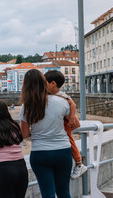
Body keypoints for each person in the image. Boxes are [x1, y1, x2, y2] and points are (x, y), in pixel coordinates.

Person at [19, 69, 72, 198]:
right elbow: (73, 122)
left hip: (40, 152)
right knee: (64, 192)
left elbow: (24, 134)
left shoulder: (27, 106)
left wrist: (38, 130)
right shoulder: (62, 101)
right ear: (44, 83)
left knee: (47, 194)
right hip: (63, 150)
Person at [44, 70, 87, 179]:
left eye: (45, 83)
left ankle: (79, 163)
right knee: (68, 140)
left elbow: (72, 104)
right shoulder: (51, 94)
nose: (43, 86)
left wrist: (72, 117)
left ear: (53, 83)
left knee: (69, 140)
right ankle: (78, 163)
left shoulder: (61, 95)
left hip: (65, 122)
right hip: (60, 122)